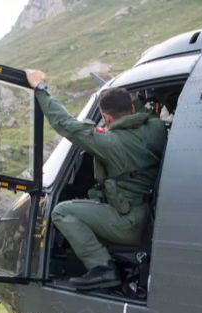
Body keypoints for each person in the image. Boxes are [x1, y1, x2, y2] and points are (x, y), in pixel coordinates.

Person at [26, 69, 167, 289]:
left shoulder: (110, 143)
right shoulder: (158, 128)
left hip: (128, 225)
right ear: (132, 107)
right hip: (152, 219)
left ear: (107, 117)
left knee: (62, 211)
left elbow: (66, 124)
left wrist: (40, 89)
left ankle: (103, 268)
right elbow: (138, 112)